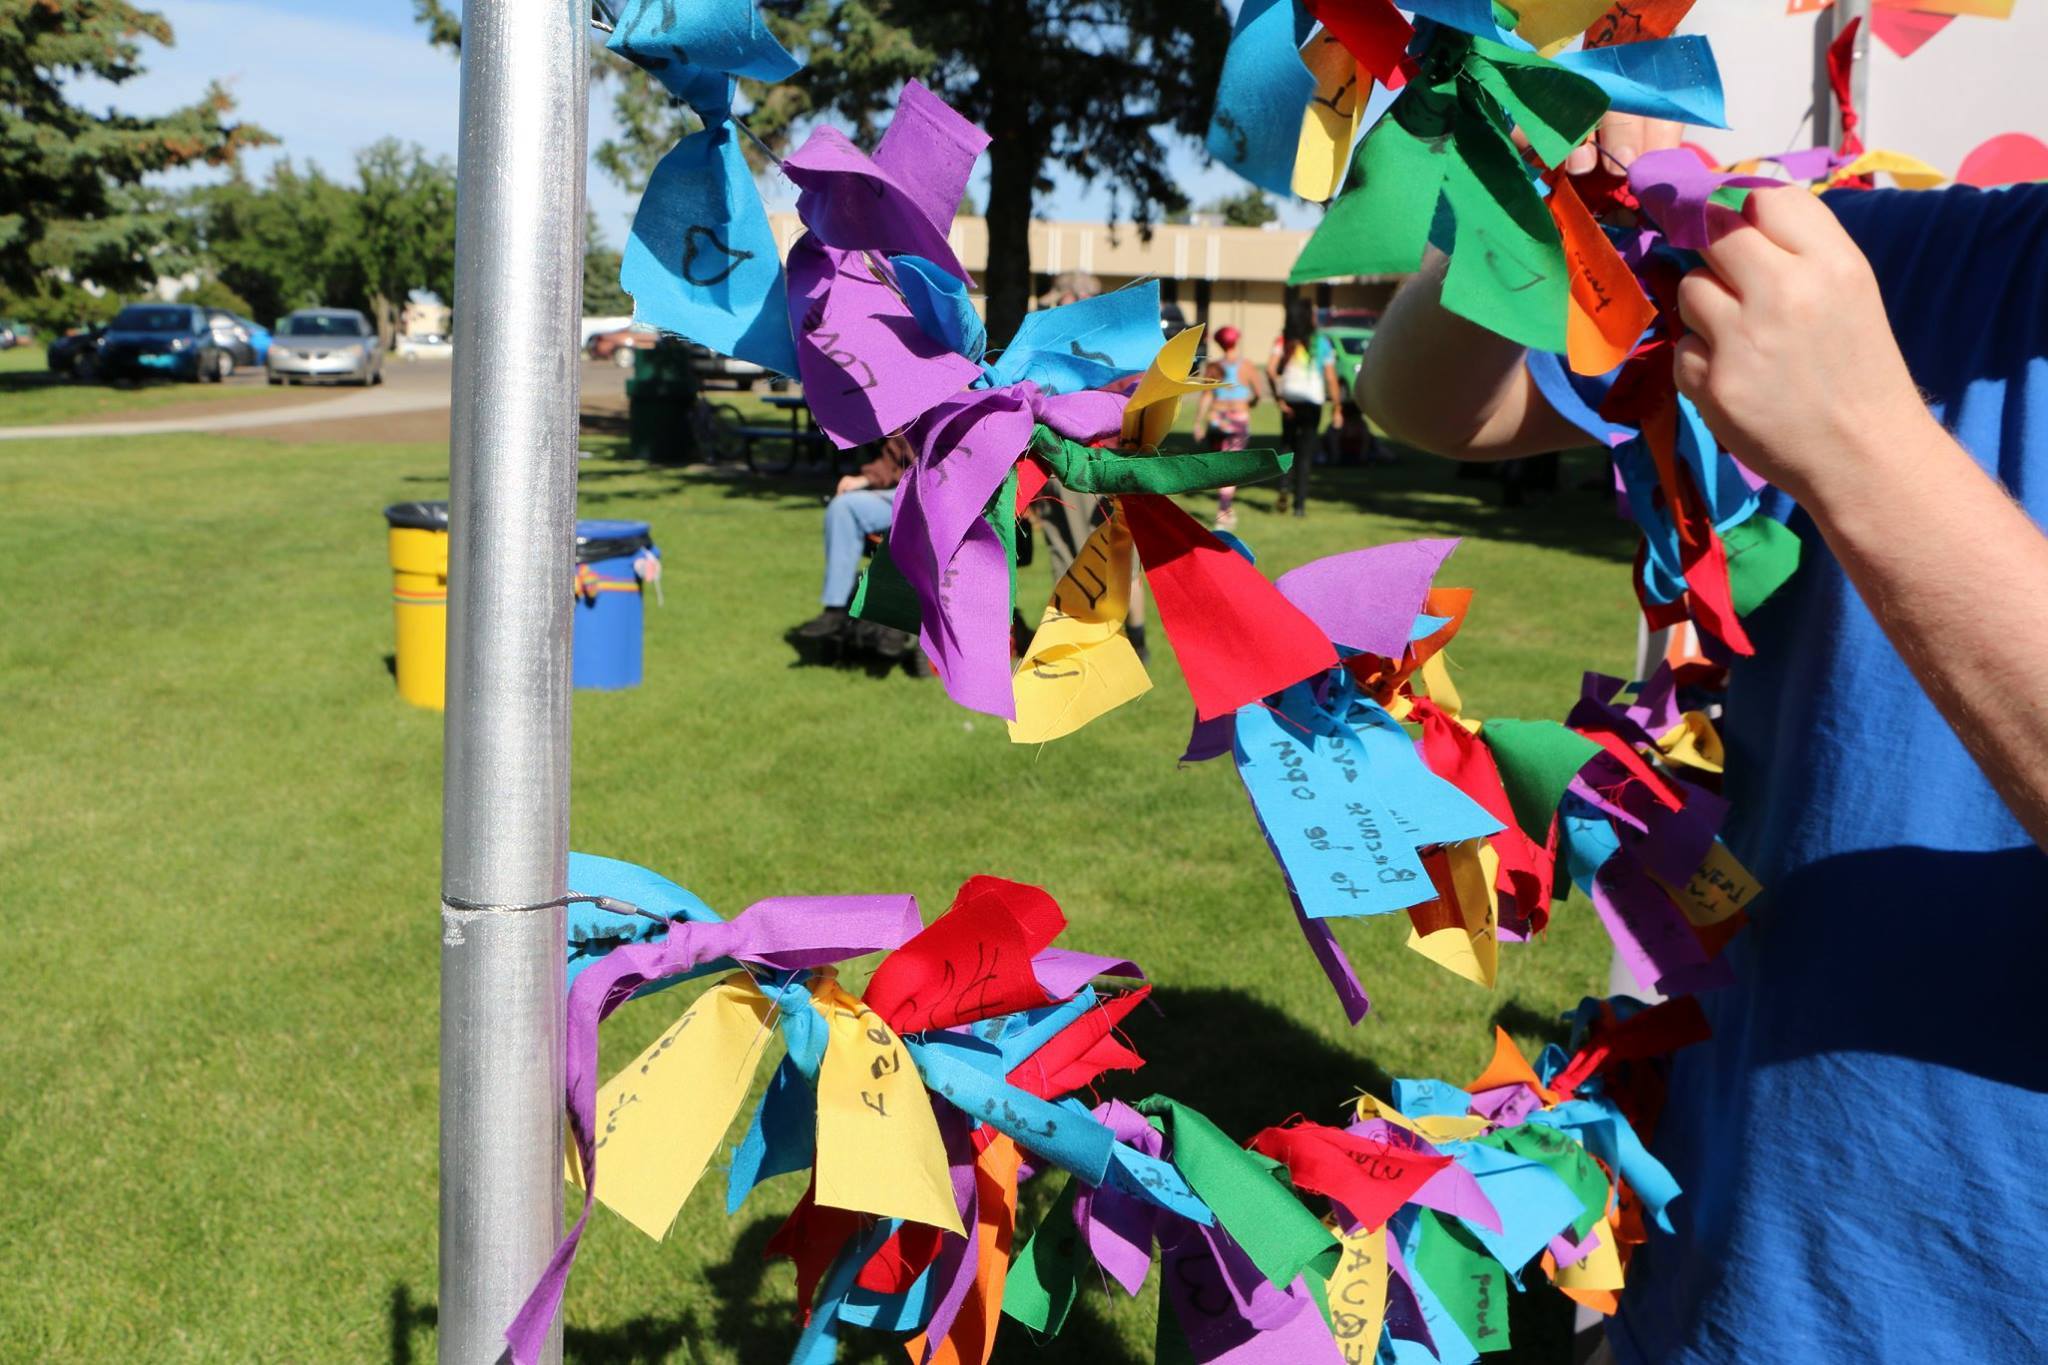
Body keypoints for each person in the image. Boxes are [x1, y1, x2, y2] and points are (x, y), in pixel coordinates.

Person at [1361, 110, 2048, 1364]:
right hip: (1732, 1279)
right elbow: (1437, 401)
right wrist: (1532, 184)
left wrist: (1861, 444)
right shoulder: (1902, 258)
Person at [795, 434, 916, 639]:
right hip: (905, 493)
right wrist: (864, 479)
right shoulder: (915, 414)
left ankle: (898, 620)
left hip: (946, 502)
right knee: (844, 507)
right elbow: (895, 454)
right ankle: (835, 607)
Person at [1266, 296, 1343, 517]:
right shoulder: (1321, 342)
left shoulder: (1283, 340)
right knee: (1305, 454)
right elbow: (1331, 378)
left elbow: (1270, 371)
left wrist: (1279, 399)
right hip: (1312, 401)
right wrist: (1337, 407)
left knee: (1286, 446)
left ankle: (1283, 486)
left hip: (1290, 399)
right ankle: (1299, 507)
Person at [1191, 324, 1263, 531]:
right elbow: (1257, 393)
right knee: (1231, 467)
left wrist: (1198, 422)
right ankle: (1223, 512)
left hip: (1217, 418)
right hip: (1238, 419)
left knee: (1223, 464)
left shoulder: (1214, 367)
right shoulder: (1247, 366)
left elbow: (1206, 396)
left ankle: (1226, 509)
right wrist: (1250, 403)